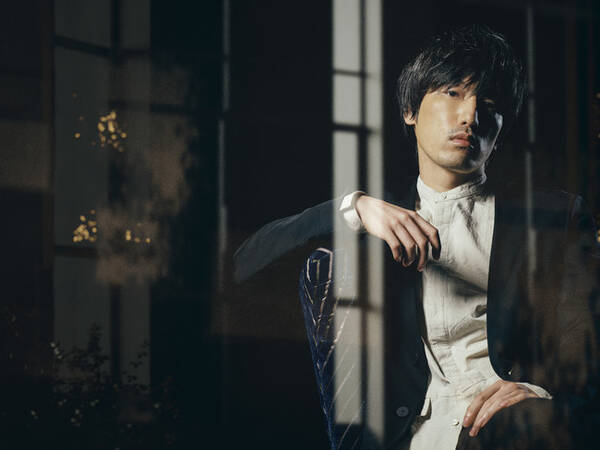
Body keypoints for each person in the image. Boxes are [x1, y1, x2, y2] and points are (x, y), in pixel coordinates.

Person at [234, 24, 600, 449]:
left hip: (513, 434)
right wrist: (354, 208)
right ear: (410, 110)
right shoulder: (373, 221)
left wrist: (543, 397)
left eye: (490, 104)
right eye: (453, 93)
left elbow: (587, 351)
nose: (470, 116)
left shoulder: (554, 218)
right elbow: (245, 266)